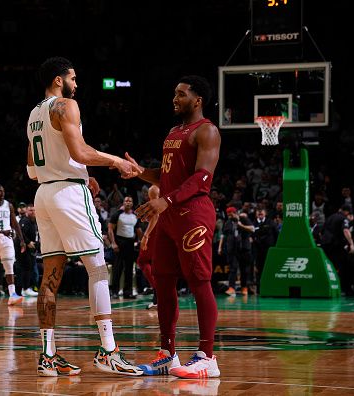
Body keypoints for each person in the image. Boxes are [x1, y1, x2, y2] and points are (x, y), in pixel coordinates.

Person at [26, 56, 143, 377]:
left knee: (51, 275)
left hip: (44, 195)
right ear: (59, 80)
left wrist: (78, 170)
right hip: (68, 194)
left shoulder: (34, 114)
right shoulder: (65, 106)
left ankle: (48, 355)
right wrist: (115, 160)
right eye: (73, 78)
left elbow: (32, 171)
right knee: (98, 268)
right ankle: (109, 351)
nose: (76, 84)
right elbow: (79, 152)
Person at [125, 75, 221, 378]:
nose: (175, 99)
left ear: (197, 99)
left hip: (192, 214)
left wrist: (165, 200)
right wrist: (140, 172)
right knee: (163, 283)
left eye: (181, 94)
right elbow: (166, 175)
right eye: (174, 94)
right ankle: (168, 354)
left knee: (199, 282)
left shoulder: (207, 131)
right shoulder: (173, 132)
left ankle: (208, 356)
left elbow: (201, 177)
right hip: (169, 216)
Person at [107, 195, 142, 299]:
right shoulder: (117, 214)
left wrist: (143, 240)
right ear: (123, 202)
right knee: (117, 268)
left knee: (129, 268)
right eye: (126, 201)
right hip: (119, 242)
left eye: (130, 201)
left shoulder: (135, 216)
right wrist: (113, 243)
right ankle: (114, 291)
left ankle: (128, 292)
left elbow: (138, 230)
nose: (128, 202)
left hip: (130, 243)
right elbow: (110, 229)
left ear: (132, 204)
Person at [219, 206, 255, 296]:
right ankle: (231, 288)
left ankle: (244, 287)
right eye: (228, 215)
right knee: (232, 268)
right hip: (232, 249)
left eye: (231, 214)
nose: (229, 216)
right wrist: (220, 247)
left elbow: (252, 229)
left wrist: (241, 226)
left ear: (235, 213)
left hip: (244, 248)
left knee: (244, 269)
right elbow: (223, 235)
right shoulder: (228, 222)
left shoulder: (243, 219)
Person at [136, 185, 160, 309]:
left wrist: (145, 236)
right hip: (165, 230)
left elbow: (156, 215)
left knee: (142, 260)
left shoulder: (154, 189)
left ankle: (158, 291)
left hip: (156, 231)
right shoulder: (170, 187)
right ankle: (158, 297)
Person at [18, 203, 39, 297]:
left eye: (34, 210)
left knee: (29, 268)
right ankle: (25, 289)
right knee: (26, 268)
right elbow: (20, 233)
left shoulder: (33, 221)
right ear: (26, 211)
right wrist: (27, 242)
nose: (33, 212)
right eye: (30, 210)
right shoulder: (24, 221)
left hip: (30, 249)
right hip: (23, 248)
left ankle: (27, 288)